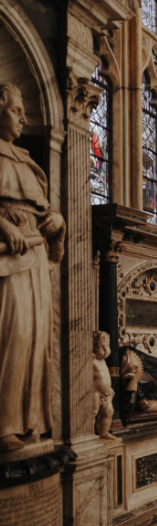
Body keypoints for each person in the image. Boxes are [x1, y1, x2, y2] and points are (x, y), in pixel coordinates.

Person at [0, 83, 65, 451]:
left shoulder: (26, 160)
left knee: (38, 341)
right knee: (14, 335)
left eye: (24, 111)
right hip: (9, 258)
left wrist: (56, 219)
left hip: (36, 257)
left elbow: (43, 211)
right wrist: (4, 225)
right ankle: (3, 424)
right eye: (15, 110)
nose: (24, 118)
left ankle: (31, 420)